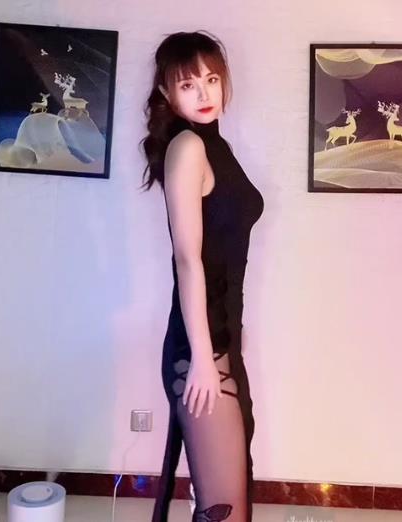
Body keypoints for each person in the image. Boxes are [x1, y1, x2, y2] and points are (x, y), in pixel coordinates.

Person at [140, 30, 264, 522]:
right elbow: (188, 260)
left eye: (211, 79)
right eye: (188, 84)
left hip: (219, 339)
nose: (204, 93)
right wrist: (203, 360)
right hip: (200, 351)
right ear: (167, 92)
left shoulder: (216, 146)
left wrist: (230, 333)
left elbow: (222, 257)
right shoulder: (188, 146)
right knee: (224, 509)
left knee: (226, 498)